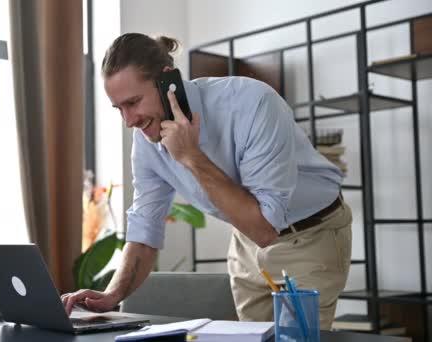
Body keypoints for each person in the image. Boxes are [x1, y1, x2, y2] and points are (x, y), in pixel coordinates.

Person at [61, 33, 352, 330]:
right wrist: (112, 295)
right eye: (119, 108)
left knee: (296, 339)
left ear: (167, 81)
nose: (129, 121)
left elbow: (265, 227)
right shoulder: (146, 141)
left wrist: (191, 156)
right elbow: (144, 230)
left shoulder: (253, 104)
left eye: (133, 102)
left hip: (311, 234)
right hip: (245, 241)